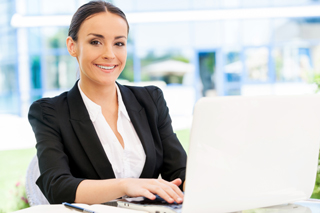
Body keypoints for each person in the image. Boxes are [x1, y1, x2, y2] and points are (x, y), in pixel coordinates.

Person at [28, 0, 187, 205]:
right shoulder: (49, 112)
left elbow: (179, 172)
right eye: (96, 42)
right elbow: (57, 187)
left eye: (119, 43)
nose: (109, 54)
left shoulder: (151, 100)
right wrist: (124, 185)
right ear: (72, 46)